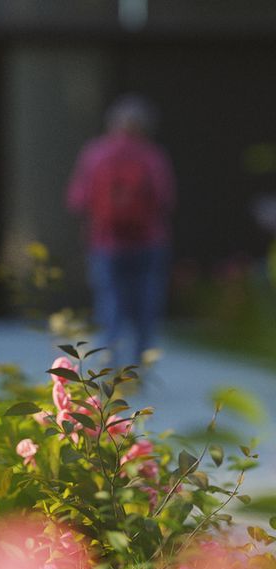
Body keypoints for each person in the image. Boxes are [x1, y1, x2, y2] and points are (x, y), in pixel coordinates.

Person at [67, 95, 175, 366]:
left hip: (106, 240)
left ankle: (109, 361)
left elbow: (77, 199)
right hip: (148, 240)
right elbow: (166, 198)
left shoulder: (95, 153)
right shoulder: (152, 156)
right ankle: (140, 364)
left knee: (109, 302)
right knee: (145, 305)